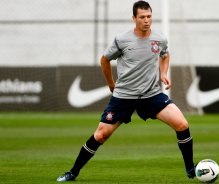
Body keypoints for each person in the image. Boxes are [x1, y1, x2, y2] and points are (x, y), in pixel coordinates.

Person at [57, 0, 195, 182]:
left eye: (149, 16)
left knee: (182, 125)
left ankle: (191, 170)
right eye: (142, 17)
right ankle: (72, 172)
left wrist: (163, 73)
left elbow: (165, 54)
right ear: (134, 18)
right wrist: (111, 84)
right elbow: (104, 60)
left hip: (151, 95)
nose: (147, 20)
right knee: (101, 135)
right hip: (124, 97)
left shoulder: (160, 38)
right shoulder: (122, 39)